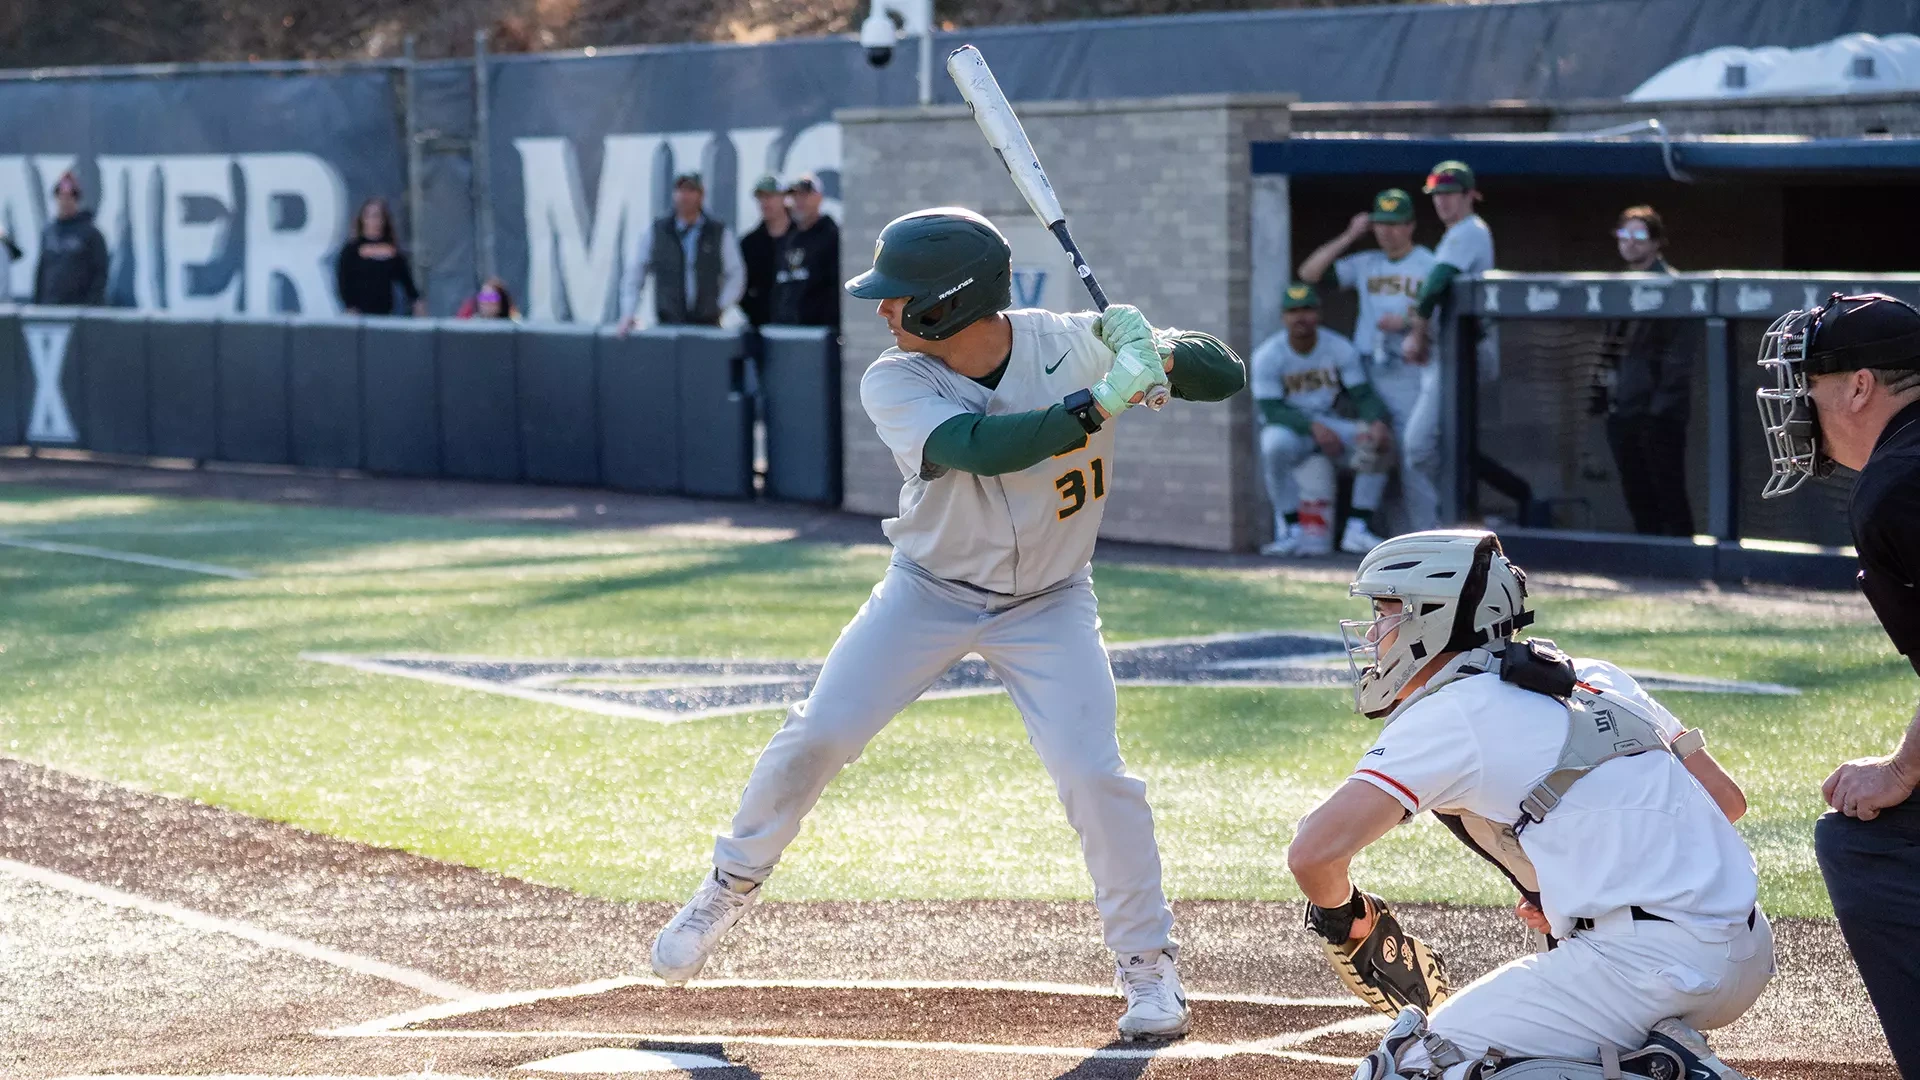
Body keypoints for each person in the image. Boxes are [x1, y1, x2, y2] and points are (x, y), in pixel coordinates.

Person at [648, 206, 1245, 1042]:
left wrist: (1161, 350)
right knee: (818, 733)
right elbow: (983, 446)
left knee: (1096, 778)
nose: (884, 312)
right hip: (928, 589)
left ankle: (1149, 969)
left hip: (1051, 600)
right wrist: (1106, 396)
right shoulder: (895, 379)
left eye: (899, 299)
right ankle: (728, 883)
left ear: (949, 304)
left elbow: (1228, 376)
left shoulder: (1075, 340)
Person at [1290, 529, 1771, 1080]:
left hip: (1646, 969)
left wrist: (1345, 921)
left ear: (1433, 618)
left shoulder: (1453, 712)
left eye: (1387, 611)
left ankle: (1672, 1075)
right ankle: (1638, 1057)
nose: (1375, 632)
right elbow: (1725, 802)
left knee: (1410, 1068)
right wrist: (1585, 892)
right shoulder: (1596, 675)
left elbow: (1314, 852)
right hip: (1745, 949)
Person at [1756, 292, 1920, 1076]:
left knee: (1869, 844)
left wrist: (1902, 768)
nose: (1801, 405)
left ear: (1859, 386)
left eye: (1811, 383)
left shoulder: (1897, 482)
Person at [1298, 188, 1438, 530]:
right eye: (1381, 225)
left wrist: (1407, 321)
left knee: (1414, 455)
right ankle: (1366, 531)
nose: (1387, 232)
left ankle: (1427, 534)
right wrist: (1350, 234)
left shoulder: (1428, 263)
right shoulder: (1367, 262)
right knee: (1371, 446)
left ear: (1411, 226)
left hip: (1410, 372)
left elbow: (1442, 313)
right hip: (1369, 371)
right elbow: (1309, 274)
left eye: (1395, 224)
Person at [1251, 282, 1393, 557]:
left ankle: (1357, 528)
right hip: (1292, 429)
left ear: (1318, 313)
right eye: (1293, 311)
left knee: (1378, 442)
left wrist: (1376, 420)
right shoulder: (1268, 355)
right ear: (1284, 317)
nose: (1300, 317)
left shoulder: (1338, 347)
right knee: (1273, 446)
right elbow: (1271, 410)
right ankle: (1291, 529)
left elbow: (1362, 394)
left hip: (1331, 423)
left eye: (1306, 309)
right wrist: (1313, 427)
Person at [1400, 161, 1498, 530]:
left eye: (1451, 194)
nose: (1443, 203)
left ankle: (1466, 512)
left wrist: (1417, 332)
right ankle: (1466, 513)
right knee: (1441, 446)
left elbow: (1436, 283)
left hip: (1466, 353)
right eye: (1438, 196)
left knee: (1419, 446)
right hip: (1448, 353)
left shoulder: (1469, 230)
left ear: (1471, 195)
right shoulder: (1456, 233)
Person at [1596, 206, 1695, 537]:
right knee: (1636, 495)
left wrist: (1659, 411)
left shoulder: (1673, 286)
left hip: (1658, 416)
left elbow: (1679, 357)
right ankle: (1650, 568)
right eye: (1624, 235)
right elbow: (1609, 349)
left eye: (1639, 236)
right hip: (1622, 410)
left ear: (1656, 242)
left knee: (1668, 493)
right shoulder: (1620, 286)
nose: (1630, 243)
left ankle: (1682, 568)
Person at [618, 172, 745, 332]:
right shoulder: (658, 231)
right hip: (668, 325)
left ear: (701, 195)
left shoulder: (718, 233)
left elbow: (736, 273)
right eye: (680, 190)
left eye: (691, 190)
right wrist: (628, 312)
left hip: (707, 326)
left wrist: (719, 306)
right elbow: (635, 274)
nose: (684, 196)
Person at [768, 174, 840, 330]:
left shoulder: (832, 237)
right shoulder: (788, 239)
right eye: (795, 196)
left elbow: (836, 289)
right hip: (785, 332)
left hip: (819, 334)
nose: (799, 201)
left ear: (819, 198)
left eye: (805, 195)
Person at [335, 197, 424, 317]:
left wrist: (417, 302)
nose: (374, 221)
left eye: (378, 216)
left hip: (385, 315)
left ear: (384, 220)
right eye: (370, 216)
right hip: (358, 315)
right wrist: (349, 306)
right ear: (363, 219)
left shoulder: (392, 251)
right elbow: (343, 280)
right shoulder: (351, 250)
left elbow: (406, 280)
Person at [33, 171, 107, 306]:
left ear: (77, 200)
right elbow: (41, 271)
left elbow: (100, 275)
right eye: (61, 197)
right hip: (49, 308)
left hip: (78, 311)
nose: (64, 202)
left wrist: (90, 306)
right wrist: (38, 304)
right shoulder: (48, 232)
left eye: (69, 198)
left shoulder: (91, 234)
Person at [738, 175, 790, 328]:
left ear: (784, 198)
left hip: (798, 326)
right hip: (760, 327)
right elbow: (741, 286)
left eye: (771, 196)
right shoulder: (750, 243)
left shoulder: (803, 239)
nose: (765, 202)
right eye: (761, 197)